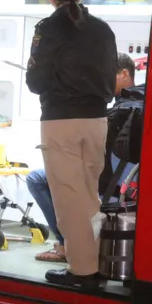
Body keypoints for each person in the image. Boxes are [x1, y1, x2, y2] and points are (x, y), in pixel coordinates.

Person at [25, 0, 118, 289]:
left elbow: (35, 81)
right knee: (90, 196)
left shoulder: (47, 27)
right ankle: (98, 261)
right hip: (97, 120)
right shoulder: (104, 29)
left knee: (68, 199)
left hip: (60, 120)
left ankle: (82, 272)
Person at [27, 53, 137, 264]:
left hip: (104, 184)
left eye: (107, 76)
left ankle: (65, 244)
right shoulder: (134, 104)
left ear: (124, 74)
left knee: (37, 179)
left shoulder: (121, 111)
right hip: (120, 185)